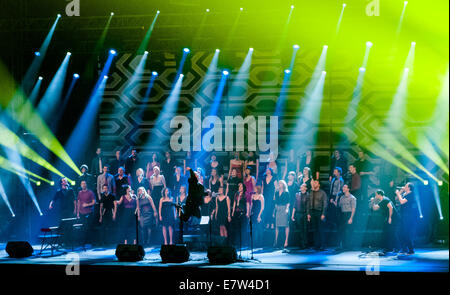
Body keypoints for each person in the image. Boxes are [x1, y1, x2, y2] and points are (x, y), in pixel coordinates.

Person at [396, 182, 419, 255]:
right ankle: (404, 249)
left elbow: (402, 202)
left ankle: (411, 250)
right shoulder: (404, 194)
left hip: (408, 216)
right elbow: (397, 200)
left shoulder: (411, 195)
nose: (403, 187)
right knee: (399, 232)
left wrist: (398, 194)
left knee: (406, 233)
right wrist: (400, 192)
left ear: (409, 188)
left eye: (405, 186)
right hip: (402, 215)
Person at [308, 180, 328, 250]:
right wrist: (309, 213)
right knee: (315, 230)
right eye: (314, 183)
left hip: (320, 212)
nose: (314, 184)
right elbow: (309, 203)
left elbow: (325, 204)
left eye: (316, 183)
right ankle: (316, 245)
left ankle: (323, 245)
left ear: (319, 184)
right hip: (313, 212)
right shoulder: (311, 192)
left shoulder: (322, 193)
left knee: (321, 229)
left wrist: (323, 213)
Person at [336, 184, 356, 250]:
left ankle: (350, 246)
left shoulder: (352, 198)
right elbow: (338, 205)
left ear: (348, 189)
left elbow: (353, 208)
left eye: (345, 187)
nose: (343, 188)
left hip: (349, 214)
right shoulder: (341, 197)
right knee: (342, 230)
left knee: (349, 231)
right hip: (342, 214)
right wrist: (334, 201)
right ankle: (343, 245)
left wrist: (351, 218)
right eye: (343, 187)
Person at [232, 182, 250, 247]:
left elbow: (248, 204)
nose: (240, 188)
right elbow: (234, 203)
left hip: (243, 212)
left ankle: (244, 243)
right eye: (239, 187)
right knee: (237, 227)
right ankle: (237, 242)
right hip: (237, 212)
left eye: (241, 187)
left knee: (243, 228)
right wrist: (233, 212)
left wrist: (248, 212)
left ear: (243, 188)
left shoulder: (246, 194)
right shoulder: (236, 194)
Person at [292, 184, 309, 249]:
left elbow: (308, 206)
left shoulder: (307, 195)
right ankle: (302, 243)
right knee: (300, 229)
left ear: (305, 188)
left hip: (305, 213)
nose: (301, 187)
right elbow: (294, 205)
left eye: (302, 186)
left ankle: (305, 243)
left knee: (305, 229)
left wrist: (308, 215)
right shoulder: (297, 194)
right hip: (298, 214)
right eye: (301, 186)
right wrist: (293, 215)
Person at [274, 180, 290, 248]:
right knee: (277, 225)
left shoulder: (286, 192)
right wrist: (274, 210)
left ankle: (286, 241)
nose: (279, 184)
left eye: (281, 183)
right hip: (278, 208)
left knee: (286, 225)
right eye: (279, 183)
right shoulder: (276, 192)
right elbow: (275, 202)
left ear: (283, 184)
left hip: (284, 208)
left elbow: (288, 202)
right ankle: (276, 241)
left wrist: (286, 209)